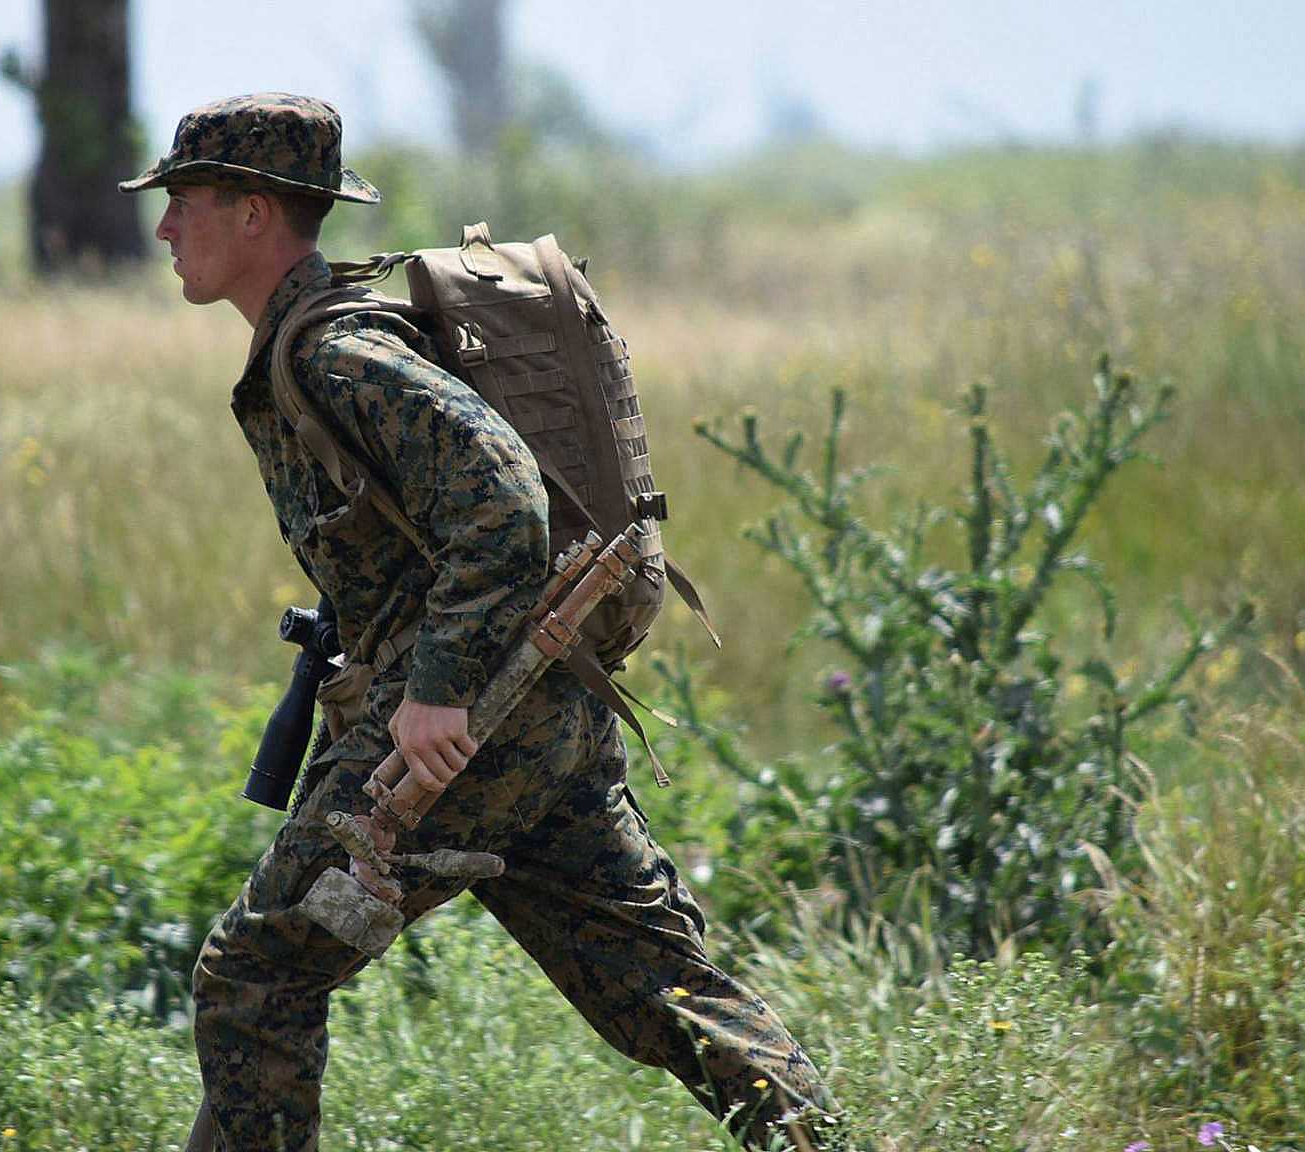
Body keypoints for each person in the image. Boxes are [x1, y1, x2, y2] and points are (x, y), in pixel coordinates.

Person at [120, 92, 842, 1152]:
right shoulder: (313, 347)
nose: (163, 227)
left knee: (257, 975)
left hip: (473, 722)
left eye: (183, 200)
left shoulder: (333, 355)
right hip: (532, 717)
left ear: (253, 214)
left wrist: (434, 689)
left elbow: (504, 493)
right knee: (659, 988)